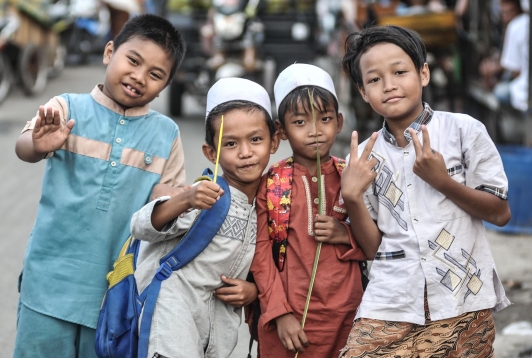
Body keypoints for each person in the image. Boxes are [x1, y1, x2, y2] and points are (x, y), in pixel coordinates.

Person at [13, 14, 186, 358]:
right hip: (48, 283)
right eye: (133, 61)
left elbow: (168, 207)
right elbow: (23, 147)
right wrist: (38, 144)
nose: (139, 77)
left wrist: (173, 201)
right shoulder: (65, 107)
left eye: (155, 74)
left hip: (116, 296)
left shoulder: (167, 135)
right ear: (110, 52)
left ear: (166, 85)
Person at [339, 25, 511, 357]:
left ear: (424, 74)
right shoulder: (361, 159)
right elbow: (373, 247)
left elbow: (500, 213)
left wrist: (442, 181)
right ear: (362, 92)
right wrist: (352, 197)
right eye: (374, 80)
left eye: (400, 72)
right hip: (392, 299)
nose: (389, 85)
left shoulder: (463, 131)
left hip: (461, 296)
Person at [130, 77, 280, 358]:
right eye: (231, 143)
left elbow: (263, 265)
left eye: (256, 139)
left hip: (218, 330)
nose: (246, 152)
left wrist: (253, 290)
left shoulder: (272, 205)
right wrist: (184, 199)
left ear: (274, 141)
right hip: (172, 315)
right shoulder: (205, 195)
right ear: (211, 153)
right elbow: (140, 226)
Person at [250, 63, 368, 357]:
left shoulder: (351, 176)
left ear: (339, 122)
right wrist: (279, 312)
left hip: (348, 315)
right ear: (282, 130)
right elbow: (261, 253)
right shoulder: (271, 184)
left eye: (325, 119)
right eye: (300, 122)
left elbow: (381, 242)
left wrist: (347, 235)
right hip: (290, 321)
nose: (315, 131)